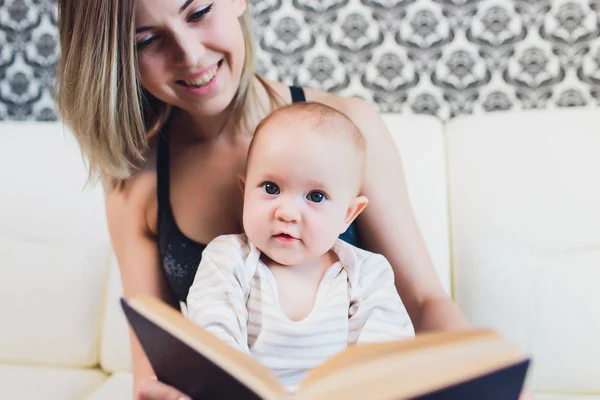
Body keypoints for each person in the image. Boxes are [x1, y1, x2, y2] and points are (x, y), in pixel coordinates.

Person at [55, 1, 472, 399]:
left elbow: (422, 301)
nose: (190, 54)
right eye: (146, 40)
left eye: (198, 12)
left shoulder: (352, 129)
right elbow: (153, 365)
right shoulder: (136, 178)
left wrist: (484, 377)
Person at [186, 102, 415, 391]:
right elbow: (212, 335)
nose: (288, 213)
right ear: (245, 192)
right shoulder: (227, 260)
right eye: (271, 188)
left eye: (316, 196)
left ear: (347, 215)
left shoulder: (367, 274)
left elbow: (383, 358)